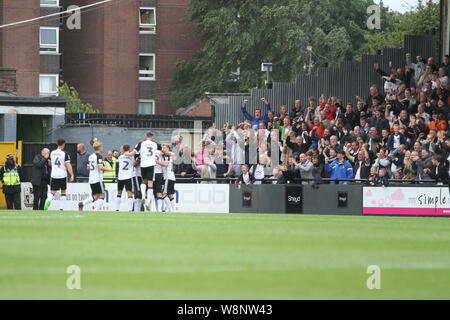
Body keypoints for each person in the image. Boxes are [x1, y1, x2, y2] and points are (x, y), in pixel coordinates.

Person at [125, 131, 160, 211]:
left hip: (143, 164)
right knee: (150, 183)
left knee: (143, 182)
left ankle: (143, 195)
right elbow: (162, 151)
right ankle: (147, 201)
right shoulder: (155, 144)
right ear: (152, 137)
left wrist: (126, 154)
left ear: (146, 136)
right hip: (151, 164)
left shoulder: (141, 143)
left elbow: (133, 153)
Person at [78, 141, 112, 211]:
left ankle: (82, 203)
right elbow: (100, 167)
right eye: (101, 147)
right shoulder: (99, 156)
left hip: (92, 179)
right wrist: (109, 169)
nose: (102, 148)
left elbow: (88, 167)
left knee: (95, 196)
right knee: (102, 195)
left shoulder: (90, 156)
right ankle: (96, 210)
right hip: (98, 179)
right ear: (99, 147)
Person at [44, 138, 74, 211]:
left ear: (57, 144)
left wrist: (54, 166)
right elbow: (68, 164)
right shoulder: (65, 153)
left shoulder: (52, 153)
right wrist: (72, 174)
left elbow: (49, 163)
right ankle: (61, 208)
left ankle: (48, 201)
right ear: (64, 144)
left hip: (54, 175)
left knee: (52, 192)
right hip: (62, 175)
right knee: (63, 191)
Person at [115, 145, 136, 212]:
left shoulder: (120, 157)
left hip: (121, 177)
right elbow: (134, 164)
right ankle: (130, 209)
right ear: (129, 149)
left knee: (119, 193)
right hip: (128, 177)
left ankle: (117, 208)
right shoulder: (132, 157)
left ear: (123, 149)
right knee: (129, 193)